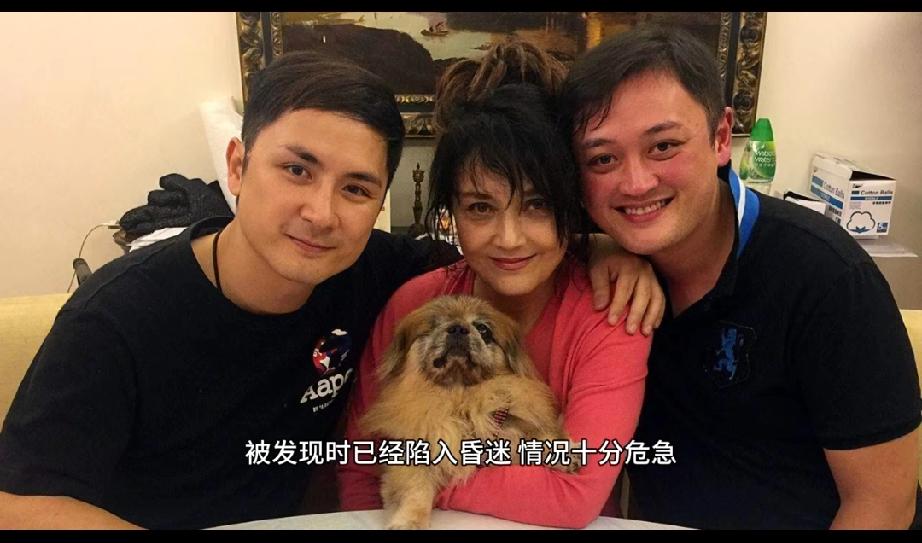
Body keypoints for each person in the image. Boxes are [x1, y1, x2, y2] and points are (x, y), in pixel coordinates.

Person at [0, 51, 661, 529]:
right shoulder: (118, 316)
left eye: (355, 188)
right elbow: (17, 503)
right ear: (237, 165)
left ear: (380, 202)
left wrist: (609, 245)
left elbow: (504, 255)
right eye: (297, 170)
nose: (320, 213)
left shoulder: (381, 275)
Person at [560, 26, 921, 529]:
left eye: (663, 146)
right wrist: (597, 248)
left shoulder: (826, 278)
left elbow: (883, 503)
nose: (636, 182)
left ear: (721, 137)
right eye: (603, 158)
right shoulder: (605, 278)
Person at [338, 40, 653, 529]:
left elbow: (572, 493)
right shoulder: (416, 304)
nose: (509, 239)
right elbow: (360, 468)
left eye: (537, 205)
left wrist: (419, 477)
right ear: (452, 213)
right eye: (480, 207)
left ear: (572, 206)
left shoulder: (611, 313)